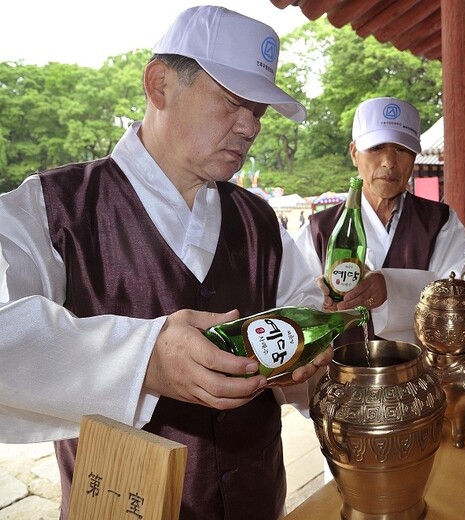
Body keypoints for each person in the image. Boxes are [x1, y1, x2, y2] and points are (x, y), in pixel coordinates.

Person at [0, 6, 329, 520]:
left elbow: (303, 304)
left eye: (259, 112)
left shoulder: (260, 221)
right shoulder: (52, 210)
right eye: (232, 102)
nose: (250, 127)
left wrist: (306, 353)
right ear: (159, 85)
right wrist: (142, 360)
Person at [295, 97, 465, 345]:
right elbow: (293, 302)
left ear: (414, 157)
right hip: (340, 367)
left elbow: (462, 298)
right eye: (376, 148)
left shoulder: (440, 223)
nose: (389, 162)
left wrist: (392, 288)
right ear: (354, 153)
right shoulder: (318, 230)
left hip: (419, 366)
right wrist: (319, 299)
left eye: (402, 150)